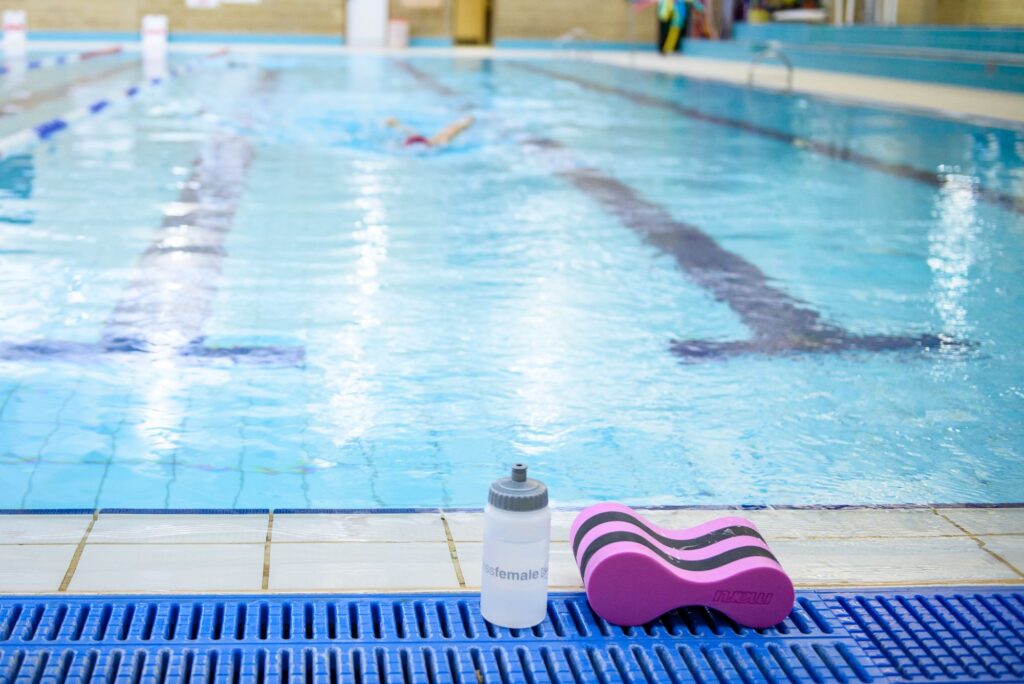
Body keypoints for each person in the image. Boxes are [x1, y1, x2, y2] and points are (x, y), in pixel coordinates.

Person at [385, 115, 475, 148]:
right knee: (447, 135)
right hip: (424, 143)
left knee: (447, 134)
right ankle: (466, 122)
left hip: (421, 142)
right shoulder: (435, 143)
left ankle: (466, 122)